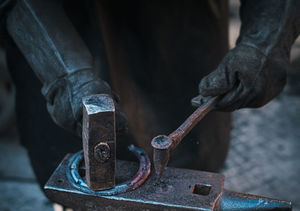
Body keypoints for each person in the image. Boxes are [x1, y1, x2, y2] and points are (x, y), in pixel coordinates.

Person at [1, 0, 299, 188]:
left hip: (181, 31)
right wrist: (66, 75)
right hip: (61, 29)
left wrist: (266, 40)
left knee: (190, 173)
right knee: (78, 185)